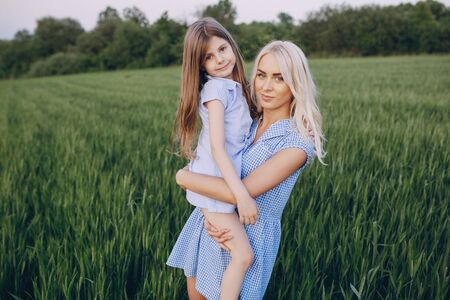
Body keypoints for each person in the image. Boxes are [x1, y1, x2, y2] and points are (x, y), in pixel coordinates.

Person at [169, 40, 326, 299]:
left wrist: (183, 177)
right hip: (212, 226)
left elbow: (239, 194)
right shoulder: (249, 120)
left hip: (248, 240)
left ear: (295, 84)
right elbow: (210, 157)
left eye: (279, 78)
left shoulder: (296, 144)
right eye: (262, 75)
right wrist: (203, 201)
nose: (266, 86)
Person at [167, 17, 260, 299]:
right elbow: (218, 149)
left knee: (232, 255)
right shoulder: (216, 90)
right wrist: (242, 196)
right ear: (200, 66)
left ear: (232, 45)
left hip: (220, 181)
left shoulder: (236, 87)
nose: (219, 59)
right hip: (216, 184)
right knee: (243, 257)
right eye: (208, 57)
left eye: (222, 49)